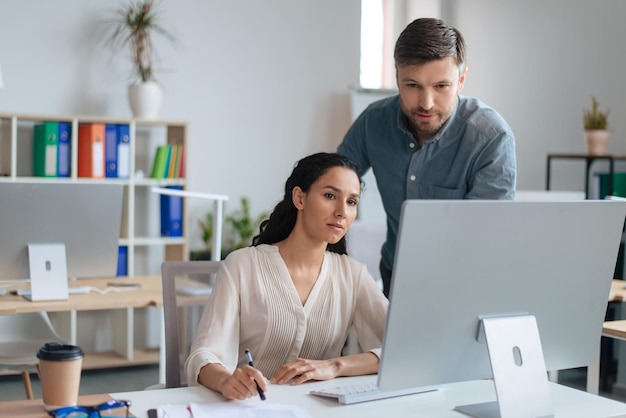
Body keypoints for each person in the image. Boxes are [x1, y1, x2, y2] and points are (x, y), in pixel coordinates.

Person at [185, 152, 389, 401]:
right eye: (330, 196)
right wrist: (227, 381)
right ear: (299, 198)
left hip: (319, 410)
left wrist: (335, 366)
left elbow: (404, 348)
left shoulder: (353, 274)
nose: (342, 212)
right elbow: (203, 355)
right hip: (249, 408)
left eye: (352, 202)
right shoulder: (242, 265)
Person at [337, 17, 516, 297]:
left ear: (462, 79)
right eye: (412, 85)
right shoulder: (373, 122)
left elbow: (487, 237)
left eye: (441, 86)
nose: (426, 103)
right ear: (397, 78)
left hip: (464, 284)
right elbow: (331, 184)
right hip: (395, 275)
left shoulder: (491, 137)